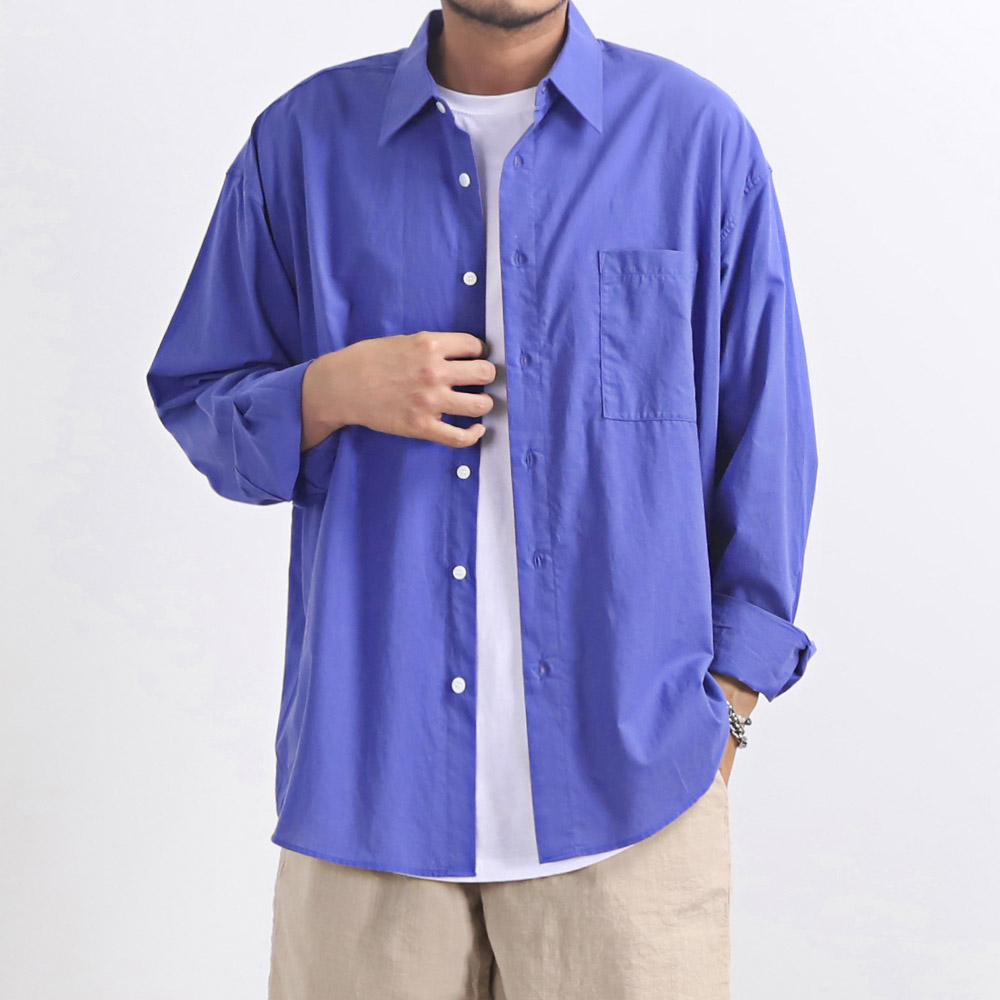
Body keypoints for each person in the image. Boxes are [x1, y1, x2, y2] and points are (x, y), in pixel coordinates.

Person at [146, 1, 819, 996]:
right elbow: (200, 401)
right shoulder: (301, 143)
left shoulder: (695, 139)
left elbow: (768, 433)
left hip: (636, 795)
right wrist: (329, 389)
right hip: (371, 795)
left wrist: (731, 702)